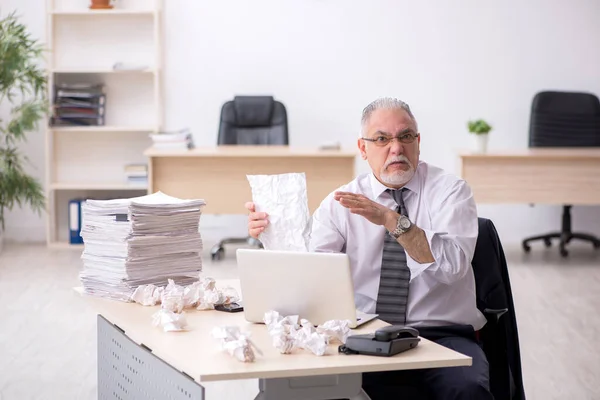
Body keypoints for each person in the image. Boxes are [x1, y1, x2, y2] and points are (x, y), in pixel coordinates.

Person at [245, 97, 493, 400]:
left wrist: (392, 220)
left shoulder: (451, 192)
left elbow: (453, 268)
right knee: (292, 390)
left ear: (418, 142)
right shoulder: (341, 202)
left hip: (443, 334)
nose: (396, 148)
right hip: (366, 335)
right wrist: (273, 236)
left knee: (467, 390)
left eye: (405, 137)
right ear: (363, 148)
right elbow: (311, 277)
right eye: (381, 139)